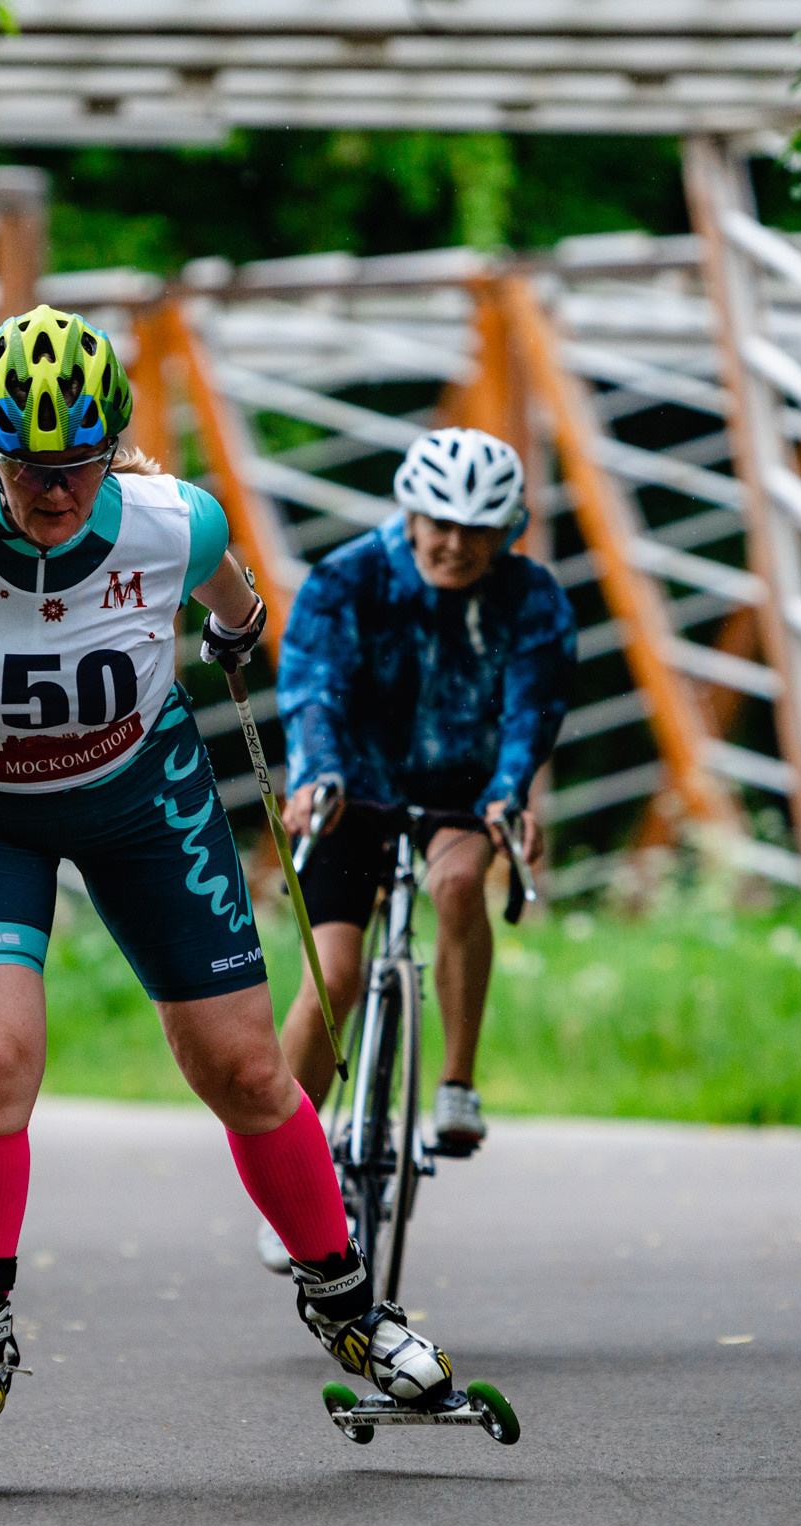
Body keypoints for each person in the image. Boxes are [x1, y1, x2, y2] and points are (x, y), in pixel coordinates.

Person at [0, 306, 458, 1475]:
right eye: (35, 470)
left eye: (84, 465)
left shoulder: (173, 521)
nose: (59, 494)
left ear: (115, 451)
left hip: (141, 801)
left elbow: (242, 612)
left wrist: (235, 642)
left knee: (243, 1068)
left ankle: (347, 1300)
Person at [272, 426, 573, 1197]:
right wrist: (316, 774)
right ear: (409, 515)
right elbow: (312, 686)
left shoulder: (532, 598)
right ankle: (283, 1167)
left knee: (460, 886)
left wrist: (510, 792)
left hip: (462, 792)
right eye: (440, 523)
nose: (455, 544)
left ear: (507, 532)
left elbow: (531, 711)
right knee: (333, 975)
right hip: (352, 790)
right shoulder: (347, 576)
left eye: (478, 530)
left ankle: (457, 1083)